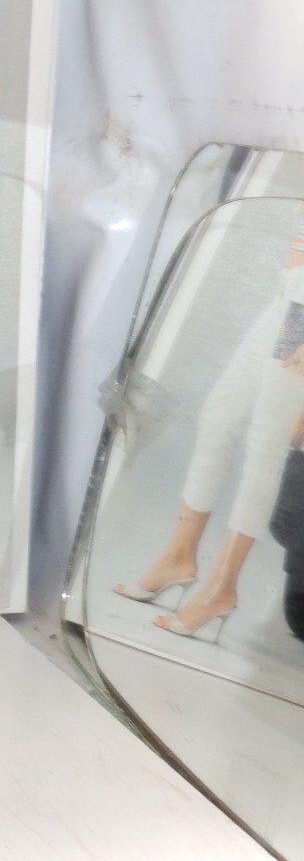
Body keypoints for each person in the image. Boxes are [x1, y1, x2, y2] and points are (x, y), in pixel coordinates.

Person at [115, 224, 304, 640]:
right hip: (289, 294)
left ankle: (222, 587)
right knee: (219, 415)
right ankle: (179, 556)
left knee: (266, 445)